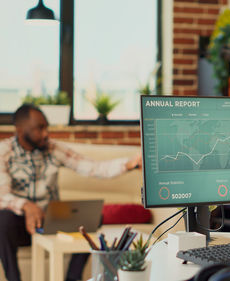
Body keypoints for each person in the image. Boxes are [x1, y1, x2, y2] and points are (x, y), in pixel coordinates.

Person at [0, 104, 142, 281]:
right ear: (20, 130)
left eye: (46, 127)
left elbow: (93, 167)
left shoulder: (53, 148)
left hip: (50, 220)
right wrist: (27, 206)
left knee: (92, 217)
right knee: (2, 220)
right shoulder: (4, 152)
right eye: (39, 128)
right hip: (19, 224)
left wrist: (129, 164)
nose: (46, 134)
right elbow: (2, 194)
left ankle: (72, 279)